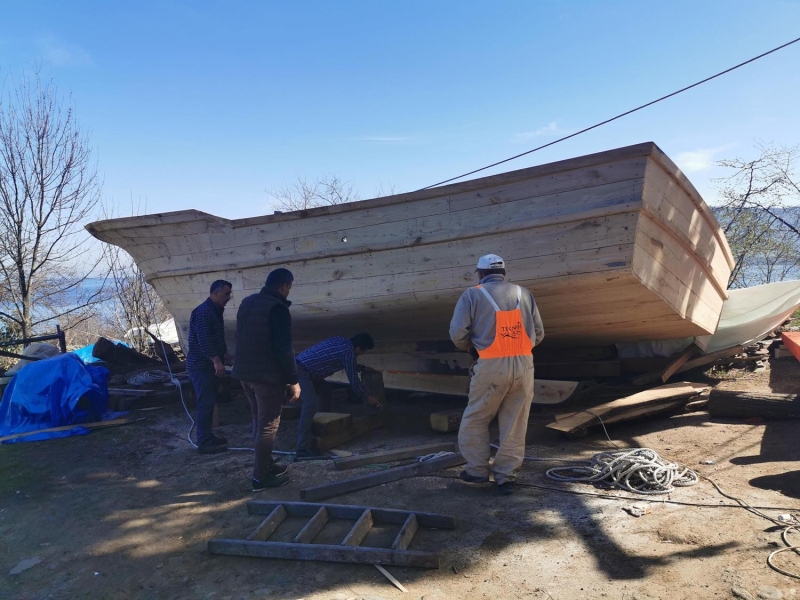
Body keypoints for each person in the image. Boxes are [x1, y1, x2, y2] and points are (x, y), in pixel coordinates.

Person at [449, 254, 545, 496]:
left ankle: (477, 471)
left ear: (480, 274)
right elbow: (540, 333)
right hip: (525, 366)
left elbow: (457, 333)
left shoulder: (472, 294)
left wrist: (471, 348)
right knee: (515, 423)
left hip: (491, 366)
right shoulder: (524, 294)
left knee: (476, 418)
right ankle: (506, 477)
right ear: (504, 273)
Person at [232, 268, 300, 491]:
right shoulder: (277, 308)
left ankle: (267, 465)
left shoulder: (248, 303)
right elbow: (284, 348)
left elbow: (240, 336)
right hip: (267, 378)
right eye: (289, 288)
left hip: (245, 374)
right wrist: (293, 380)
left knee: (258, 421)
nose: (288, 292)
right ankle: (260, 478)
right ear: (283, 286)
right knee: (268, 425)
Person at [294, 333, 381, 458]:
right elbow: (354, 383)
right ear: (358, 348)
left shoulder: (340, 340)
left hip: (303, 366)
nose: (361, 354)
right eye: (363, 351)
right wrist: (368, 397)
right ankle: (302, 449)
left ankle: (324, 428)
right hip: (302, 372)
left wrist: (361, 368)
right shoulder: (349, 353)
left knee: (325, 390)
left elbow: (346, 363)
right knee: (310, 404)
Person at [186, 279, 233, 454]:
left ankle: (207, 435)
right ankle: (204, 443)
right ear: (215, 293)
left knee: (210, 401)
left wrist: (225, 354)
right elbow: (204, 339)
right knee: (205, 403)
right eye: (226, 294)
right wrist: (216, 360)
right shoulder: (204, 312)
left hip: (208, 364)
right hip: (201, 365)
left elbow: (217, 336)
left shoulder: (216, 310)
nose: (229, 297)